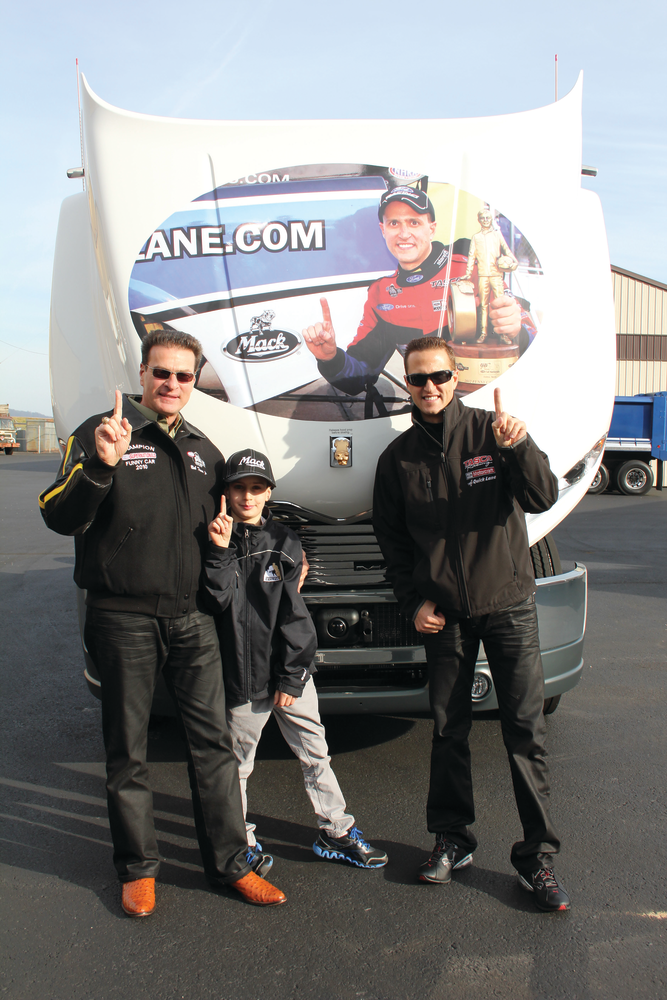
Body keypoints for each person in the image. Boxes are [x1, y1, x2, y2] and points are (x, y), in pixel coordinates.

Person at [38, 329, 286, 915]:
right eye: (161, 372)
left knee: (214, 745)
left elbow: (232, 528)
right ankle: (138, 869)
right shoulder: (103, 433)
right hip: (122, 618)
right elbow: (57, 513)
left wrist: (283, 562)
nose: (171, 383)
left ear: (194, 381)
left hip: (192, 619)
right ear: (143, 374)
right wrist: (101, 466)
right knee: (128, 749)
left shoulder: (205, 451)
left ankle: (231, 863)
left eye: (183, 375)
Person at [372, 336, 570, 912]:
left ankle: (537, 859)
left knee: (525, 731)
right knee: (447, 730)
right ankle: (452, 840)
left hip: (508, 606)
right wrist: (412, 601)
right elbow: (392, 542)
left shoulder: (493, 432)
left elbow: (542, 497)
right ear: (407, 384)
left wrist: (520, 447)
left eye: (438, 376)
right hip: (446, 617)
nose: (429, 387)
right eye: (417, 379)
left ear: (456, 377)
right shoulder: (398, 459)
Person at [204, 449, 388, 872]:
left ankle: (336, 832)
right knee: (236, 766)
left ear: (269, 492)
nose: (247, 497)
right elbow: (216, 601)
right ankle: (240, 842)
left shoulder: (284, 541)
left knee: (315, 753)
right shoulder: (215, 538)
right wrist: (218, 551)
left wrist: (291, 677)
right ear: (226, 491)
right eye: (239, 487)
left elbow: (293, 615)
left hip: (290, 674)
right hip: (241, 678)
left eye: (256, 488)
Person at [302, 186, 525, 398]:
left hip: (487, 405)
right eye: (394, 223)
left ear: (432, 228)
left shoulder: (468, 263)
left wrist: (518, 329)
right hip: (429, 411)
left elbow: (529, 337)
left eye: (414, 222)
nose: (404, 233)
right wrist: (330, 358)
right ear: (383, 230)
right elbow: (358, 378)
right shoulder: (381, 294)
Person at [462, 207, 518, 343]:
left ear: (491, 219)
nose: (485, 220)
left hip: (496, 275)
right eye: (483, 218)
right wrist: (468, 273)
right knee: (483, 305)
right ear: (479, 220)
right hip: (482, 275)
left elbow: (507, 250)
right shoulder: (476, 237)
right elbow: (471, 256)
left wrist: (514, 262)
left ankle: (503, 335)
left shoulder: (497, 235)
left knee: (500, 304)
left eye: (488, 218)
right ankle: (483, 333)